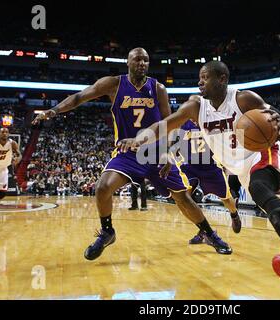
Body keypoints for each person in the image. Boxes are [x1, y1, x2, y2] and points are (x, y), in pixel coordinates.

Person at [118, 61, 280, 291]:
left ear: (222, 79)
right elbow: (165, 124)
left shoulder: (244, 99)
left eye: (205, 77)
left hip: (262, 155)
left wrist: (275, 124)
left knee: (259, 186)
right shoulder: (195, 106)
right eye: (199, 78)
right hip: (240, 169)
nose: (200, 82)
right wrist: (137, 139)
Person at [32, 48, 232, 260]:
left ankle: (209, 233)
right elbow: (80, 97)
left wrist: (168, 154)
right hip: (128, 152)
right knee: (102, 187)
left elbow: (169, 125)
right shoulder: (113, 84)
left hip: (155, 152)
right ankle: (107, 231)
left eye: (146, 60)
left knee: (183, 198)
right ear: (128, 62)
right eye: (137, 59)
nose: (142, 63)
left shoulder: (158, 88)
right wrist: (53, 111)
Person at [159, 120, 241, 243]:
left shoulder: (211, 121)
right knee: (184, 199)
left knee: (227, 199)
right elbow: (174, 146)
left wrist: (225, 161)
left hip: (211, 167)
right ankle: (205, 231)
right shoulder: (183, 124)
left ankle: (234, 214)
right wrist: (169, 162)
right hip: (190, 167)